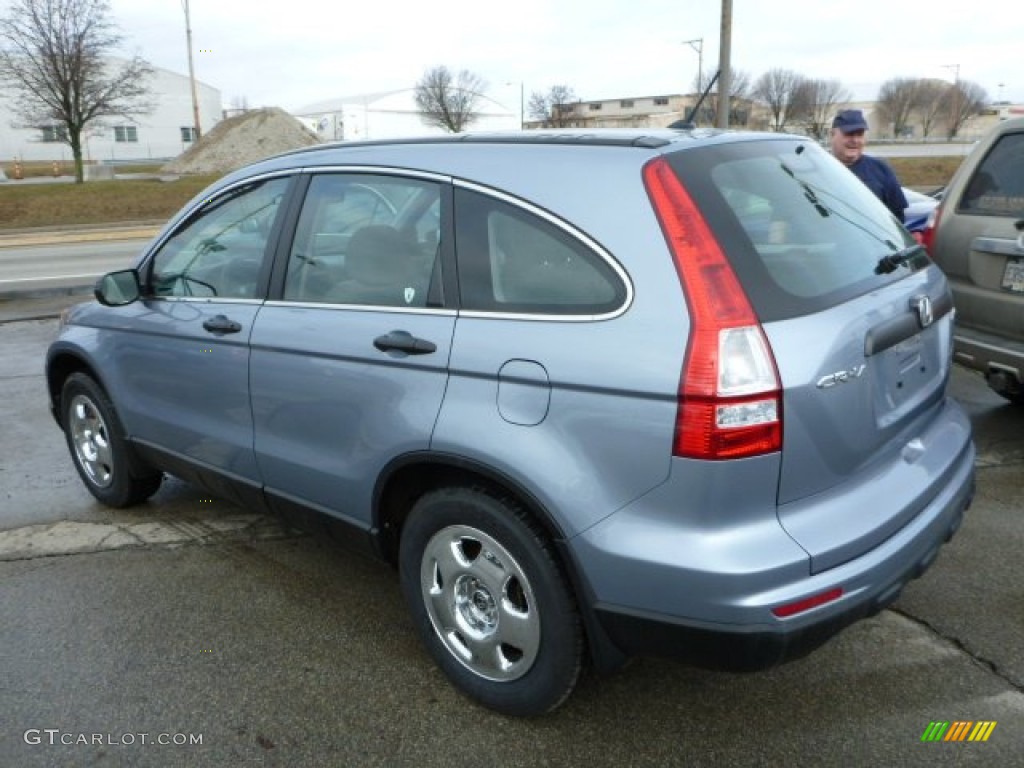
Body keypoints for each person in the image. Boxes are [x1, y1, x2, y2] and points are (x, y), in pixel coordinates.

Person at [830, 109, 907, 222]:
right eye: (849, 134)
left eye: (860, 135)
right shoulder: (816, 170)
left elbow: (898, 217)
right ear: (832, 135)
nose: (855, 140)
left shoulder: (881, 169)